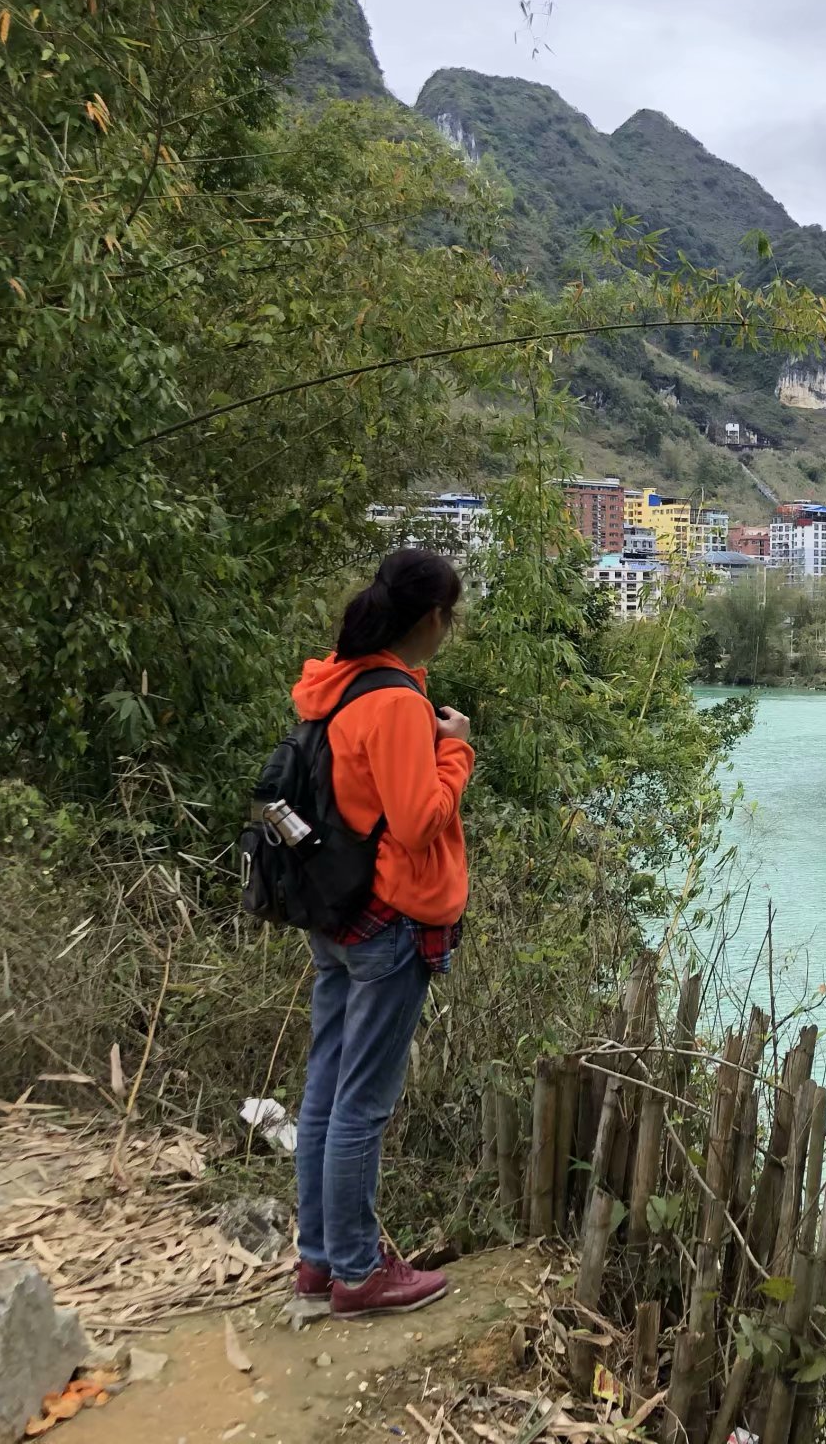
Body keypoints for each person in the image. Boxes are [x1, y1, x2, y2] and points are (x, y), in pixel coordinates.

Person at [289, 549, 472, 1320]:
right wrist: (458, 749)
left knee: (326, 1091)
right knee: (362, 1102)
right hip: (388, 922)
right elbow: (418, 819)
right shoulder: (395, 702)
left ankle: (320, 1260)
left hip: (338, 912)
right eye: (450, 617)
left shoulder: (335, 684)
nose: (450, 630)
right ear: (431, 618)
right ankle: (360, 1274)